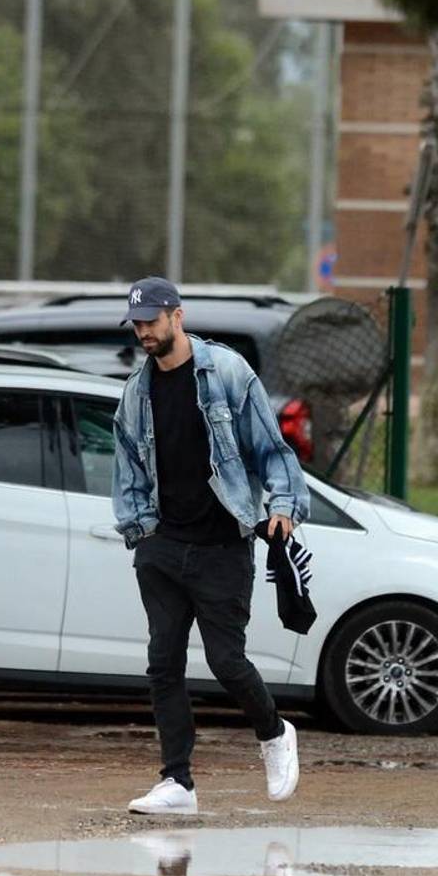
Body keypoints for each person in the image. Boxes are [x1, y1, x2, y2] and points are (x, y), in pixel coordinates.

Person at [112, 277, 310, 815]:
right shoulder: (136, 391)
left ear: (178, 315)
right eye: (138, 323)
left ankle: (274, 733)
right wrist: (140, 533)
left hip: (222, 545)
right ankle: (177, 782)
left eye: (152, 320)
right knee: (162, 663)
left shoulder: (225, 372)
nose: (144, 331)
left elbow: (272, 448)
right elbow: (128, 467)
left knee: (227, 660)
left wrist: (284, 505)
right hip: (162, 548)